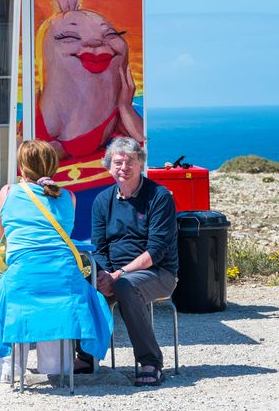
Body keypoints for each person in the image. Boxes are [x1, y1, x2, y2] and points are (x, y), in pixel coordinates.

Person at [0, 140, 113, 381]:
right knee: (56, 310)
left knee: (4, 305)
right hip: (64, 276)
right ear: (53, 166)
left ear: (22, 166)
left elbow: (3, 235)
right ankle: (58, 368)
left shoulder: (8, 192)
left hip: (24, 274)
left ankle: (9, 369)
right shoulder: (69, 197)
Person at [91, 136, 178, 387]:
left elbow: (156, 251)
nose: (124, 168)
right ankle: (86, 357)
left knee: (125, 287)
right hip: (114, 274)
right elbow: (99, 247)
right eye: (118, 162)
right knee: (82, 287)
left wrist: (118, 275)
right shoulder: (102, 201)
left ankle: (151, 362)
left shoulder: (159, 197)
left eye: (130, 162)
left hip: (158, 272)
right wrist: (103, 275)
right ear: (109, 167)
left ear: (141, 164)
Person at [35, 0, 144, 162]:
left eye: (110, 35)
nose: (95, 42)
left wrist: (125, 106)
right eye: (70, 37)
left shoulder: (116, 114)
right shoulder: (34, 102)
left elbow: (144, 144)